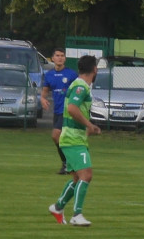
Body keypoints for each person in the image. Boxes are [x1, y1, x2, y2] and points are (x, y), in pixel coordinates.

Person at [48, 55, 102, 226]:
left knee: (78, 178)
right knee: (86, 175)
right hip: (72, 139)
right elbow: (72, 108)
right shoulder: (80, 86)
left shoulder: (80, 85)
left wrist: (86, 128)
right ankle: (77, 215)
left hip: (74, 137)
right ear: (94, 69)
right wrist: (89, 125)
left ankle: (58, 207)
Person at [41, 49, 76, 174]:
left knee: (56, 136)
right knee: (61, 139)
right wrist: (43, 99)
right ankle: (69, 163)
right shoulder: (49, 74)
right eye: (57, 55)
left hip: (67, 111)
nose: (60, 58)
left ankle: (67, 163)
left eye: (62, 56)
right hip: (57, 111)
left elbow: (79, 90)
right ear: (53, 58)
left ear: (65, 58)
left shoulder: (71, 74)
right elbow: (45, 91)